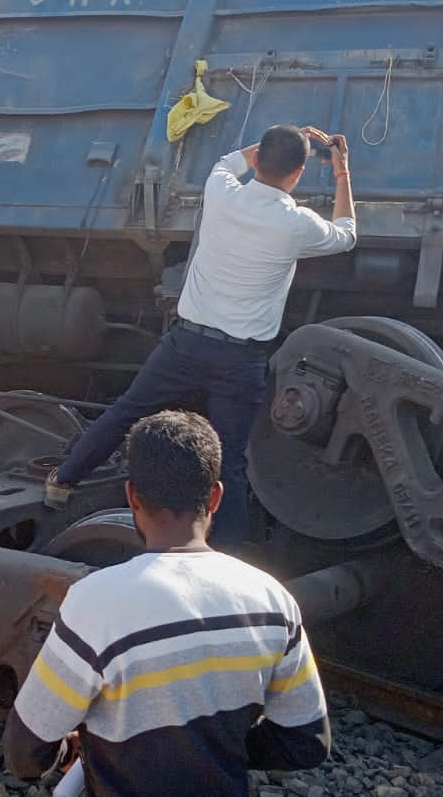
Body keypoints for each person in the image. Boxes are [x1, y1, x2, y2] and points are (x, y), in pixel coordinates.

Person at [46, 126, 357, 549]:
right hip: (240, 362)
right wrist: (342, 172)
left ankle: (63, 480)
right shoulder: (296, 223)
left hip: (186, 345)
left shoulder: (221, 190)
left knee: (126, 412)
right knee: (229, 463)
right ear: (299, 173)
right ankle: (228, 557)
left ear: (259, 159)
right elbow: (347, 234)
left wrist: (272, 142)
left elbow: (228, 162)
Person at [4, 410, 331, 796]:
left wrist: (71, 751)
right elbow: (306, 742)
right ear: (215, 496)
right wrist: (216, 748)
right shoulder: (272, 598)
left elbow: (24, 753)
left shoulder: (97, 601)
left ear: (131, 496)